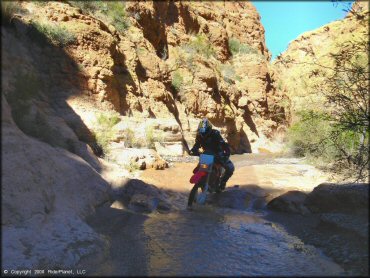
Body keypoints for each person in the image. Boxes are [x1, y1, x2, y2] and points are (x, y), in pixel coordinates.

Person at [189, 118, 234, 191]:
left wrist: (227, 152)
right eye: (201, 131)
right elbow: (197, 145)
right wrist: (193, 150)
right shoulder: (199, 135)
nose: (203, 133)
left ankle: (222, 182)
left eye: (205, 131)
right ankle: (201, 180)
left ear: (209, 129)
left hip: (218, 154)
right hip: (207, 154)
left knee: (230, 168)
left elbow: (222, 143)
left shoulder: (215, 134)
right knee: (196, 170)